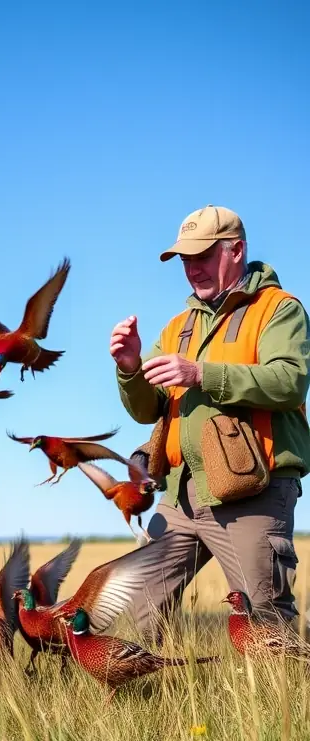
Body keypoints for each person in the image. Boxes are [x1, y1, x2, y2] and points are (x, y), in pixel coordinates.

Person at [110, 205, 310, 631]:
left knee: (266, 623)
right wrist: (129, 368)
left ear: (236, 250)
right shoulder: (178, 327)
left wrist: (200, 374)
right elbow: (146, 408)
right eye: (185, 260)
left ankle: (285, 700)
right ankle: (143, 699)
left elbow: (290, 381)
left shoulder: (278, 309)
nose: (191, 269)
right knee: (136, 617)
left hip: (253, 490)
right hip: (180, 494)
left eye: (202, 257)